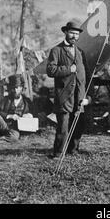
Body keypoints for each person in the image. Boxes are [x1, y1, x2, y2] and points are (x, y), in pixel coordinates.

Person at [46, 21, 90, 158]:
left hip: (79, 96)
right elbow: (50, 70)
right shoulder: (56, 50)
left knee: (78, 125)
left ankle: (73, 150)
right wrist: (68, 70)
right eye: (72, 33)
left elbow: (86, 76)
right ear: (65, 32)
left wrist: (87, 96)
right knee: (63, 127)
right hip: (64, 95)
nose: (74, 36)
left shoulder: (80, 52)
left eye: (77, 34)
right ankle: (58, 152)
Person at [0, 74, 33, 142]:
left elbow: (35, 112)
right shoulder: (6, 99)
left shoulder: (27, 101)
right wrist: (9, 116)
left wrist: (30, 115)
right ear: (11, 89)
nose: (16, 90)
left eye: (18, 87)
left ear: (22, 88)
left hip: (16, 128)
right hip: (4, 125)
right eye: (14, 88)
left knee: (14, 137)